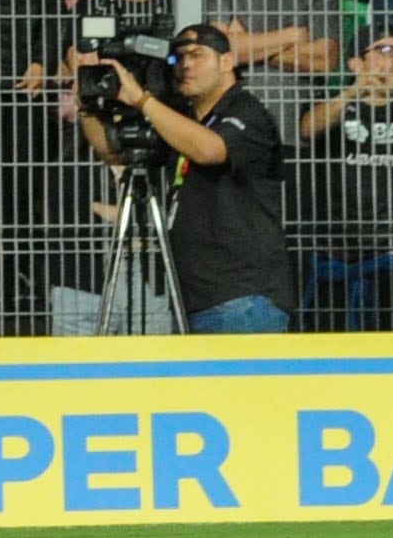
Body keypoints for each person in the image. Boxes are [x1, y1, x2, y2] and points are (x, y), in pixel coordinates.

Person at [102, 19, 293, 335]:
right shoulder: (183, 120)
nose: (186, 65)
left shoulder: (247, 111)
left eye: (197, 55)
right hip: (193, 299)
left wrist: (143, 100)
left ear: (226, 62)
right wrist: (88, 108)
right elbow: (114, 153)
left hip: (241, 299)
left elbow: (209, 150)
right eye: (179, 58)